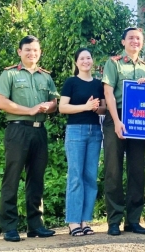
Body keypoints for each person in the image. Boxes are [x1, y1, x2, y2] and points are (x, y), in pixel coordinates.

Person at [0, 35, 59, 242]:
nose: (32, 53)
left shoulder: (45, 77)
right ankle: (9, 227)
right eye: (28, 50)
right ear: (19, 52)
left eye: (36, 50)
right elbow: (0, 102)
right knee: (12, 178)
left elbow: (54, 102)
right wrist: (28, 110)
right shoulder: (10, 74)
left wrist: (49, 106)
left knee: (37, 178)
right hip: (17, 130)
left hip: (39, 131)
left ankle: (35, 225)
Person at [102, 27, 145, 236]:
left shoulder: (144, 67)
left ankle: (133, 220)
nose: (135, 41)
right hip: (117, 118)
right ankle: (114, 221)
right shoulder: (113, 63)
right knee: (113, 171)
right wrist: (117, 121)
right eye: (130, 38)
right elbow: (108, 93)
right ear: (123, 42)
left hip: (138, 121)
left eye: (138, 39)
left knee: (137, 171)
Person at [59, 48, 107, 237]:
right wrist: (85, 106)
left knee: (90, 177)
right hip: (75, 132)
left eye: (88, 57)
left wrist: (96, 108)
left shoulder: (98, 84)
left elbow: (103, 108)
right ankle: (73, 222)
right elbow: (63, 107)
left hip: (95, 132)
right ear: (76, 62)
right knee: (75, 176)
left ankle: (85, 221)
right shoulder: (71, 82)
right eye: (82, 58)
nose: (86, 61)